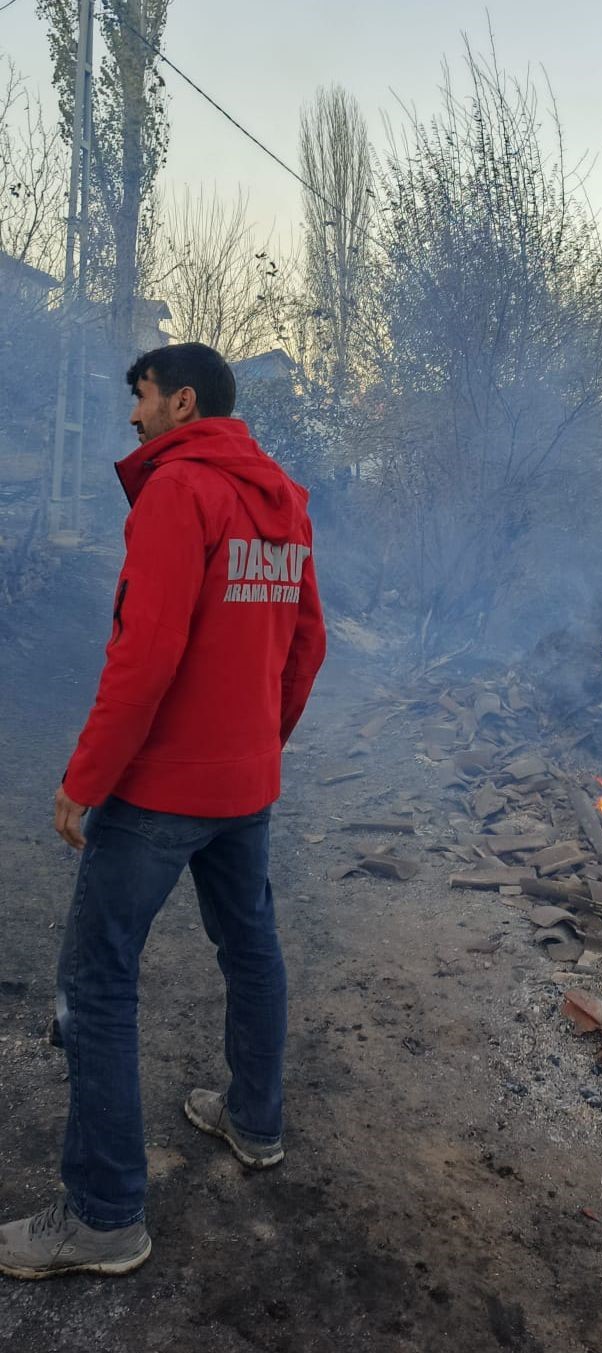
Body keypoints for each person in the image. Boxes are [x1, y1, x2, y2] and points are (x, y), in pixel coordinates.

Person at [0, 343, 326, 1279]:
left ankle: (104, 1214)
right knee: (250, 947)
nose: (132, 417)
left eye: (140, 399)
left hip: (160, 791)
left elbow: (144, 656)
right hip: (243, 786)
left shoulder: (179, 492)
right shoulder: (287, 499)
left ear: (182, 400)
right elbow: (309, 640)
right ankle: (255, 1122)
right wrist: (263, 742)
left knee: (95, 982)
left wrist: (85, 778)